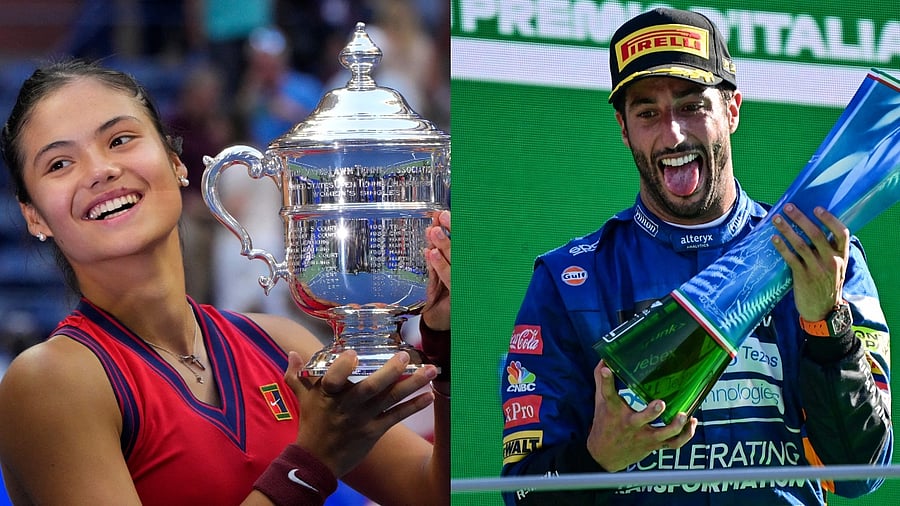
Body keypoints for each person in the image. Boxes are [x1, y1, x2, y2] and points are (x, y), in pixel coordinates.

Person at [0, 59, 451, 505]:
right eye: (59, 164)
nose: (100, 170)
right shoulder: (48, 382)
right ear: (34, 214)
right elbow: (313, 465)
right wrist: (312, 462)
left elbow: (436, 495)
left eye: (120, 139)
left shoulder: (279, 344)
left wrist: (444, 342)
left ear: (177, 163)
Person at [500, 8, 891, 505]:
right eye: (647, 113)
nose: (674, 134)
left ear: (732, 109)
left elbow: (860, 475)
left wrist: (826, 327)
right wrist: (594, 459)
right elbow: (521, 496)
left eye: (692, 106)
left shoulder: (823, 257)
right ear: (623, 129)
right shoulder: (569, 281)